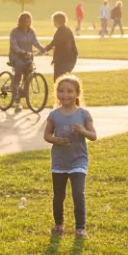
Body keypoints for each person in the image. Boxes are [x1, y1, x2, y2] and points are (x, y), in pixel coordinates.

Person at [43, 75, 95, 238]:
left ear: (77, 94)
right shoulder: (54, 115)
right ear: (56, 93)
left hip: (78, 159)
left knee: (78, 193)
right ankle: (59, 225)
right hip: (59, 161)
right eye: (61, 91)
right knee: (59, 195)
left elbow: (93, 135)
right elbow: (47, 135)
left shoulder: (84, 114)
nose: (65, 95)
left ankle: (80, 228)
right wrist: (55, 139)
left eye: (69, 91)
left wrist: (82, 131)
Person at [9, 11, 46, 107]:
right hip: (16, 56)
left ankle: (23, 94)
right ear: (21, 21)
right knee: (19, 69)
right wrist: (22, 52)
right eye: (26, 21)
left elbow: (36, 43)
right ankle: (15, 88)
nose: (28, 23)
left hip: (27, 56)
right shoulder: (14, 32)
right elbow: (14, 46)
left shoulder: (31, 32)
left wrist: (43, 50)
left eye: (29, 21)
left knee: (28, 75)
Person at [47, 11, 78, 81]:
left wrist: (44, 49)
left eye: (54, 21)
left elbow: (53, 43)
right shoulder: (66, 30)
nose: (53, 23)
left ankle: (60, 90)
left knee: (59, 78)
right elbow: (57, 46)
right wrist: (55, 59)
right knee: (62, 77)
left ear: (57, 22)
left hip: (65, 59)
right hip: (67, 59)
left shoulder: (61, 32)